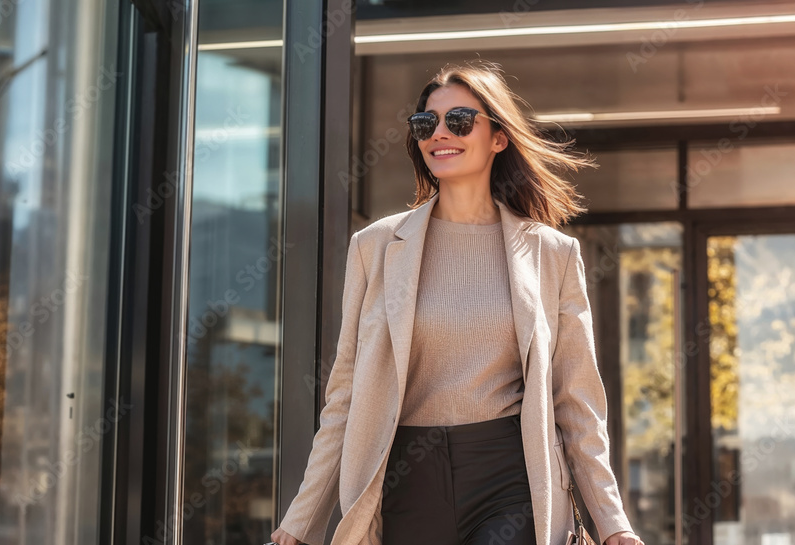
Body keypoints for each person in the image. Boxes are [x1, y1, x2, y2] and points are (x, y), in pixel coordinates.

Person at [269, 60, 645, 545]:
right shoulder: (375, 247)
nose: (439, 134)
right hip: (406, 481)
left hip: (508, 477)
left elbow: (577, 402)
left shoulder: (552, 253)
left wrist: (612, 524)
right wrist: (298, 525)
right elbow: (345, 396)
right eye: (426, 123)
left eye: (459, 120)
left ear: (498, 138)